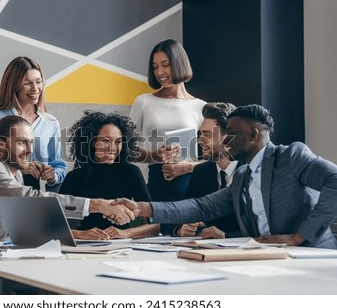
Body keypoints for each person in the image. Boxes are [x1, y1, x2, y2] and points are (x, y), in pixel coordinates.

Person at [0, 115, 135, 294]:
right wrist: (97, 204)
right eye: (22, 142)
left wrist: (81, 235)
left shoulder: (15, 177)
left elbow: (27, 229)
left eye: (31, 143)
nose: (29, 150)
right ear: (1, 144)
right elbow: (31, 198)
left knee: (53, 290)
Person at [116, 104, 337, 249]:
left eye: (231, 132)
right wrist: (143, 208)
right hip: (267, 259)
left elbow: (334, 179)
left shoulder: (291, 156)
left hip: (312, 254)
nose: (225, 139)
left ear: (253, 135)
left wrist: (299, 236)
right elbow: (201, 207)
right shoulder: (242, 176)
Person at [59, 111, 160, 240]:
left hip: (122, 246)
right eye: (106, 141)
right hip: (85, 245)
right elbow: (53, 227)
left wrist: (125, 233)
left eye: (118, 142)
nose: (112, 148)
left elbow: (155, 226)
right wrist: (82, 234)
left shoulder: (131, 172)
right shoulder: (74, 177)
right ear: (92, 142)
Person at [0, 56, 66, 191]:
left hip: (34, 195)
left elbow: (59, 165)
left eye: (39, 82)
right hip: (0, 192)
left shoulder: (50, 123)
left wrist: (53, 175)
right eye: (27, 83)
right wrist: (19, 168)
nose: (35, 89)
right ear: (13, 85)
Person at [129, 39, 206, 201]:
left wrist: (190, 167)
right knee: (159, 226)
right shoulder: (143, 101)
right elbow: (126, 151)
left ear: (179, 63)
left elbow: (217, 157)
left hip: (192, 186)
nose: (160, 72)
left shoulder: (200, 107)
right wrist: (155, 156)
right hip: (158, 185)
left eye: (165, 65)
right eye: (155, 67)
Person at [161, 102, 241, 239]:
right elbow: (177, 216)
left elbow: (264, 228)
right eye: (200, 134)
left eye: (207, 135)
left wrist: (226, 236)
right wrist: (180, 229)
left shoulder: (251, 171)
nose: (199, 141)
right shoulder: (201, 172)